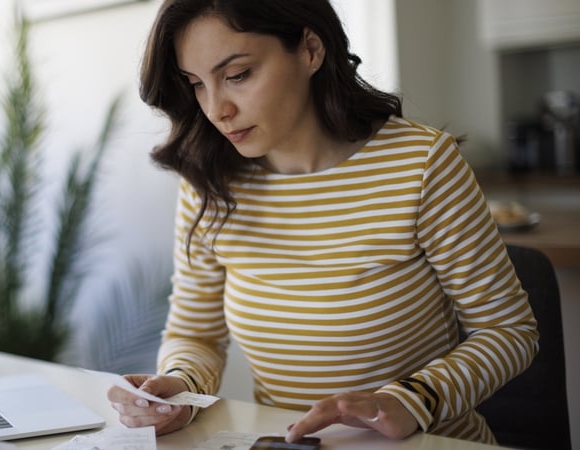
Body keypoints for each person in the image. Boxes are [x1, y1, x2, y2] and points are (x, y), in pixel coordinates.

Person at [107, 0, 539, 445]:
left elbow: (509, 332)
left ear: (310, 50)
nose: (217, 109)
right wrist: (180, 388)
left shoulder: (421, 164)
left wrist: (412, 399)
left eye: (237, 75)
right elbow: (195, 334)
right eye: (197, 84)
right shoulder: (209, 183)